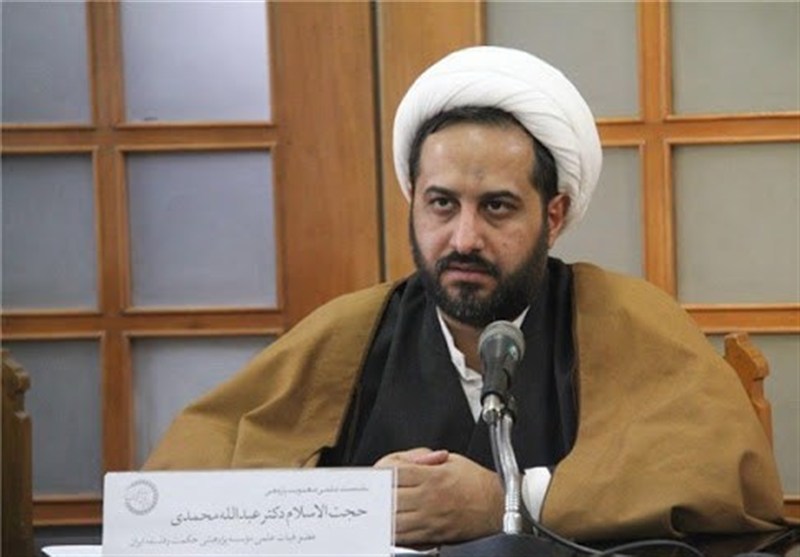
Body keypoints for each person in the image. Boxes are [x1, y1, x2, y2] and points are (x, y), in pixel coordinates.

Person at [144, 46, 787, 545]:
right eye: (442, 204)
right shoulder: (351, 330)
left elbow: (724, 482)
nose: (464, 238)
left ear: (554, 215)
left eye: (497, 207)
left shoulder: (621, 318)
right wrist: (351, 504)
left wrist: (513, 501)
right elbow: (178, 495)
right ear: (413, 203)